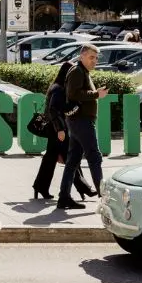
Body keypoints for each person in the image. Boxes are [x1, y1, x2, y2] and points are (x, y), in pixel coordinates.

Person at [32, 61, 96, 200]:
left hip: (55, 128)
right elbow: (53, 110)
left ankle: (40, 186)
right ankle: (84, 188)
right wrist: (60, 129)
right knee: (71, 157)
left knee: (51, 158)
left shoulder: (57, 86)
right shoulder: (59, 89)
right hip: (58, 129)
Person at [57, 44, 107, 210]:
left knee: (73, 161)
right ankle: (104, 197)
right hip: (81, 122)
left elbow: (79, 93)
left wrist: (96, 93)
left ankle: (64, 197)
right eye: (91, 57)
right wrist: (96, 94)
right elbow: (73, 94)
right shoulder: (78, 71)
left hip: (78, 121)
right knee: (94, 157)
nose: (95, 61)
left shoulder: (82, 71)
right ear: (82, 56)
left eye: (96, 58)